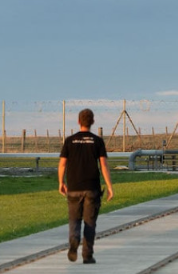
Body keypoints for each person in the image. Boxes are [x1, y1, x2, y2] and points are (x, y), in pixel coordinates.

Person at [58, 108, 114, 264]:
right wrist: (109, 186)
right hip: (92, 189)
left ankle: (74, 240)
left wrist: (61, 182)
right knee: (89, 222)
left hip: (74, 187)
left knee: (74, 220)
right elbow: (103, 165)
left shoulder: (69, 141)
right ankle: (87, 255)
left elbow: (62, 164)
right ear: (93, 122)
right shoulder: (97, 141)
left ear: (78, 122)